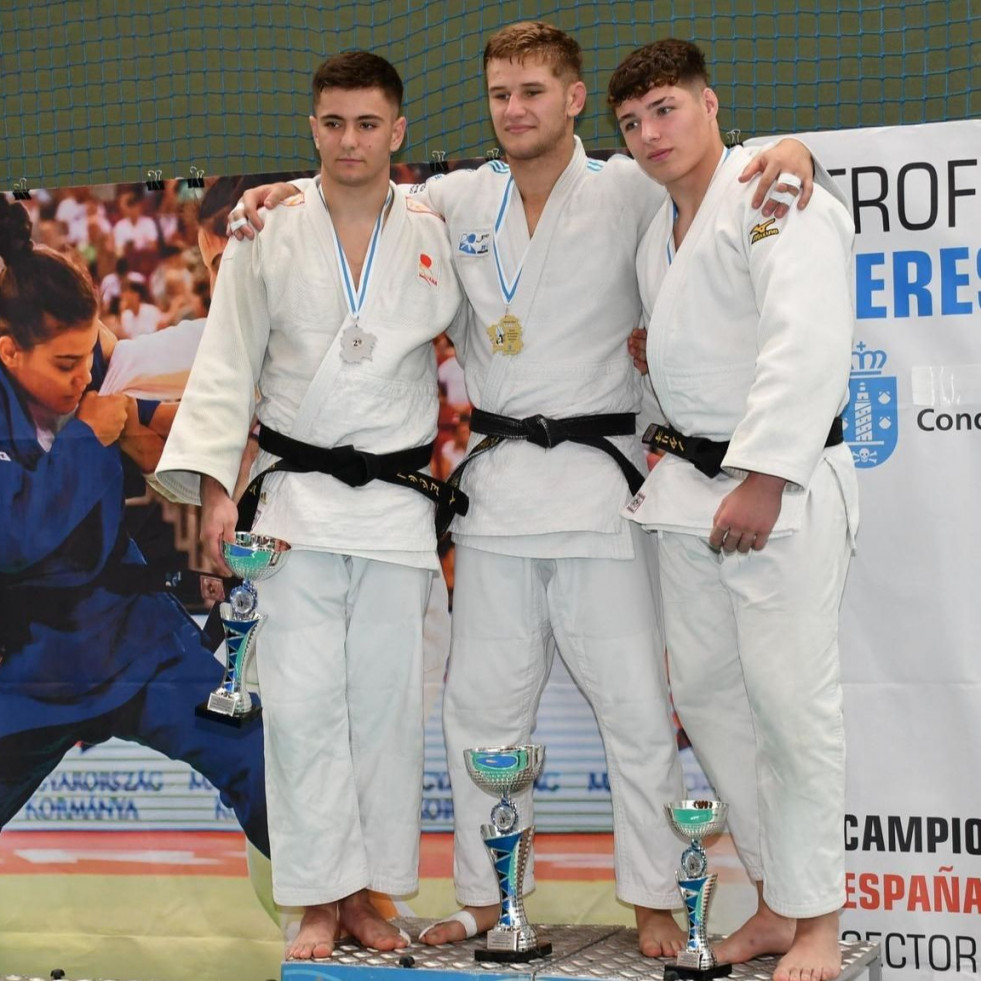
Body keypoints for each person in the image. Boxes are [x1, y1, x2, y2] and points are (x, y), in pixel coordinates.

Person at [231, 22, 822, 957]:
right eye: (501, 94)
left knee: (632, 703)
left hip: (601, 487)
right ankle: (482, 892)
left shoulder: (630, 183)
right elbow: (357, 186)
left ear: (575, 99)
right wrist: (284, 195)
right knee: (479, 709)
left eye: (534, 92)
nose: (515, 110)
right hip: (500, 490)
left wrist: (791, 149)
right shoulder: (456, 199)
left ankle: (658, 898)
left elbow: (721, 171)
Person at [154, 52, 465, 962]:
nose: (349, 140)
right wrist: (217, 494)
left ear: (398, 131)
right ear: (312, 127)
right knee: (298, 707)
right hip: (292, 501)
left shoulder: (436, 226)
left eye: (368, 123)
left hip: (397, 506)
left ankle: (370, 894)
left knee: (385, 707)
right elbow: (226, 364)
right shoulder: (269, 230)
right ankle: (315, 898)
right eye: (332, 123)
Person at [608, 39, 857, 981]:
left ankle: (821, 921)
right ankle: (772, 899)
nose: (648, 134)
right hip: (686, 493)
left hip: (775, 490)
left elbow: (806, 338)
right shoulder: (656, 227)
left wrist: (763, 473)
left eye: (665, 109)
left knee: (793, 709)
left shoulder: (772, 193)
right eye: (631, 122)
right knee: (712, 702)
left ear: (711, 104)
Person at [0, 195, 269, 859]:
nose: (80, 376)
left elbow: (113, 399)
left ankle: (336, 903)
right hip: (28, 669)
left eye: (85, 356)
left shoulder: (65, 334)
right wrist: (92, 435)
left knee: (263, 759)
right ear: (9, 352)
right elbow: (19, 536)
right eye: (65, 365)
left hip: (133, 640)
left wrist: (157, 411)